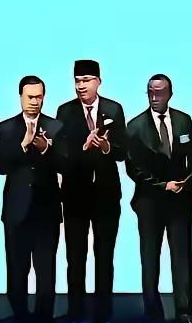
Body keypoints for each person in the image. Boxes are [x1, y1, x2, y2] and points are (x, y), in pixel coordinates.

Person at [125, 74, 192, 323]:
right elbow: (133, 169)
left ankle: (184, 309)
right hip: (149, 202)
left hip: (180, 202)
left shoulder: (183, 121)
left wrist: (186, 184)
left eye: (159, 92)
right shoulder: (135, 126)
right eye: (150, 92)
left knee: (182, 257)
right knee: (150, 258)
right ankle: (152, 310)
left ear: (170, 93)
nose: (154, 97)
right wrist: (163, 186)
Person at [58, 59, 127, 323]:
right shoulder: (65, 112)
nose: (81, 86)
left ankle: (103, 311)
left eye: (86, 80)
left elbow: (123, 150)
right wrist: (84, 148)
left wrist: (108, 147)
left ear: (98, 81)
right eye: (77, 81)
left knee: (104, 256)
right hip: (75, 195)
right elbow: (61, 155)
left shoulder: (113, 109)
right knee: (75, 257)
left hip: (106, 196)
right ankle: (76, 310)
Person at [0, 76, 68, 323]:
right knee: (17, 270)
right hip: (16, 211)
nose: (34, 101)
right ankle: (20, 315)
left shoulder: (56, 127)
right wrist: (23, 145)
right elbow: (1, 166)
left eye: (39, 97)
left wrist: (47, 149)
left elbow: (66, 165)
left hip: (46, 211)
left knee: (46, 271)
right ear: (20, 97)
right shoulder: (6, 128)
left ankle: (43, 317)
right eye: (30, 97)